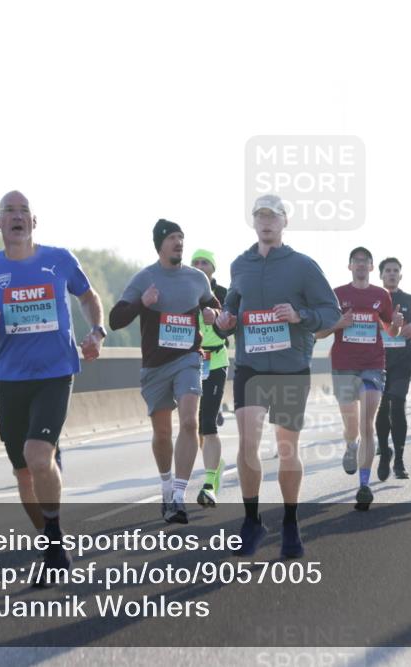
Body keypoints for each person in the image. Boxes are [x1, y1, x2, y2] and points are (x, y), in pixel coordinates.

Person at [0, 190, 105, 585]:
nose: (17, 216)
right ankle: (51, 547)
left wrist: (96, 331)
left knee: (38, 455)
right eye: (9, 211)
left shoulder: (58, 259)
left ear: (33, 222)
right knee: (24, 473)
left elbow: (88, 296)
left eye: (23, 211)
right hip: (11, 380)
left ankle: (55, 538)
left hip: (56, 372)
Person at [215, 194, 340, 557]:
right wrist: (225, 322)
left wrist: (300, 316)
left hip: (290, 367)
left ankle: (290, 521)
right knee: (247, 443)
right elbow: (231, 308)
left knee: (287, 448)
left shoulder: (302, 265)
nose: (266, 222)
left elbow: (330, 313)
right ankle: (252, 520)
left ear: (285, 221)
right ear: (253, 222)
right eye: (260, 216)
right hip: (251, 366)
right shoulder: (240, 264)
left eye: (273, 216)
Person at [109, 220, 220, 524]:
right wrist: (142, 304)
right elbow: (115, 319)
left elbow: (217, 309)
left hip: (188, 359)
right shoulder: (145, 278)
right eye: (172, 238)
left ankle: (179, 497)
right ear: (159, 244)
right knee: (162, 433)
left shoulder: (198, 279)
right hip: (156, 366)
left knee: (188, 422)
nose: (179, 243)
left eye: (181, 237)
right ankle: (166, 485)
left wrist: (213, 314)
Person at [317, 247, 402, 511]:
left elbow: (391, 330)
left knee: (367, 422)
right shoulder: (337, 295)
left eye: (366, 262)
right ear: (350, 266)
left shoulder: (381, 295)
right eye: (357, 262)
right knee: (352, 425)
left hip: (372, 366)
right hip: (343, 366)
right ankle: (349, 445)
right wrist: (338, 325)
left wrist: (396, 323)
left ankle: (364, 485)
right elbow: (318, 333)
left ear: (371, 266)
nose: (362, 265)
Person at [374, 257, 411, 479]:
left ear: (400, 275)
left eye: (395, 271)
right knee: (381, 409)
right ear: (381, 275)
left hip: (403, 360)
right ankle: (385, 452)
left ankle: (400, 461)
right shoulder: (373, 297)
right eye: (388, 271)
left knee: (398, 406)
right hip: (376, 361)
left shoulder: (409, 299)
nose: (392, 274)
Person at [190, 249, 228, 507]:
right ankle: (216, 464)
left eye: (205, 262)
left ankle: (209, 482)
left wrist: (217, 317)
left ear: (213, 268)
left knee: (207, 422)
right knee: (194, 424)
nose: (201, 265)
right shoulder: (185, 291)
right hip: (190, 363)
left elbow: (231, 327)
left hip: (215, 362)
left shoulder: (223, 293)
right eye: (196, 262)